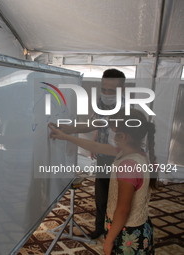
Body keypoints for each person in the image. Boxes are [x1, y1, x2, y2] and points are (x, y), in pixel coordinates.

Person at [48, 108, 156, 255]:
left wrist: (109, 240)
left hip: (127, 233)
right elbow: (96, 146)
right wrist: (66, 136)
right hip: (138, 226)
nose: (110, 135)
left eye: (113, 132)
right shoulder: (135, 153)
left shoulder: (128, 166)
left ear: (123, 136)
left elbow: (123, 209)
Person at [50, 68, 126, 239]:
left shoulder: (126, 110)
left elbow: (117, 147)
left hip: (121, 161)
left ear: (121, 89)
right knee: (101, 197)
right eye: (104, 89)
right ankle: (100, 228)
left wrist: (67, 136)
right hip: (104, 158)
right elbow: (92, 124)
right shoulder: (102, 103)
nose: (106, 93)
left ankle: (118, 234)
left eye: (111, 90)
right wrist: (66, 128)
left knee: (120, 200)